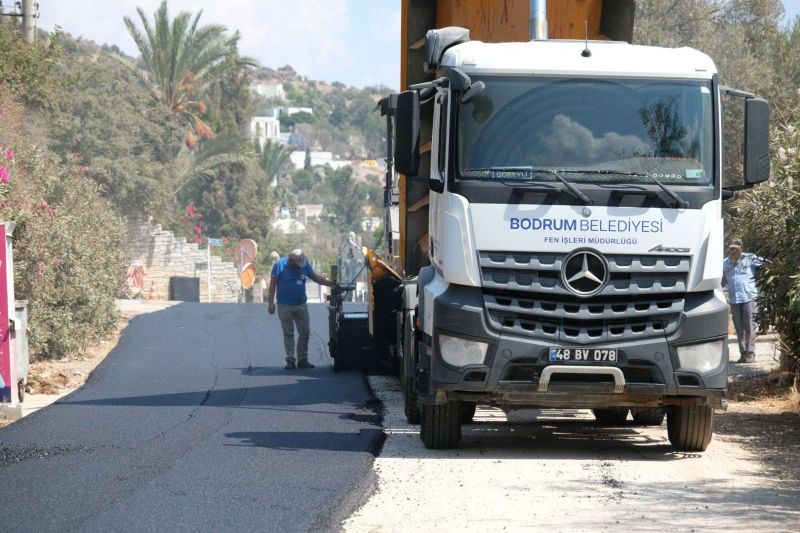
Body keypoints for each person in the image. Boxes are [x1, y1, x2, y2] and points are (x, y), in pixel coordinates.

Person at [268, 249, 333, 369]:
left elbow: (315, 277)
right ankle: (290, 360)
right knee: (288, 333)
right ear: (290, 259)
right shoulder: (279, 265)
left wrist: (331, 284)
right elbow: (272, 284)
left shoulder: (304, 264)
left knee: (305, 333)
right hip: (284, 306)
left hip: (301, 305)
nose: (299, 266)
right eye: (297, 263)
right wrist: (270, 303)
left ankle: (302, 359)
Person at [722, 239, 764, 363]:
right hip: (734, 300)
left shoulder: (750, 258)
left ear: (741, 249)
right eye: (732, 248)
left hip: (748, 298)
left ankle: (751, 353)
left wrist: (760, 279)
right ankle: (743, 353)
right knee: (739, 328)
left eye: (736, 248)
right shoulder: (725, 263)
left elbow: (768, 265)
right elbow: (720, 279)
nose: (734, 250)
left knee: (750, 326)